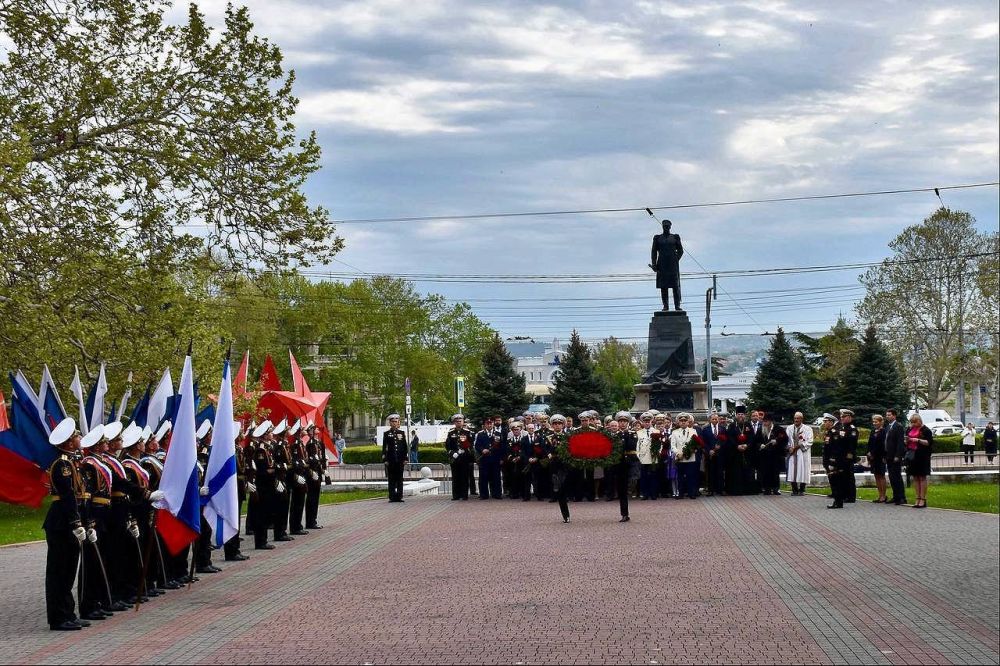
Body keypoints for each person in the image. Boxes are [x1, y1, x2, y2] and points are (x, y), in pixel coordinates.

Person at [44, 417, 89, 631]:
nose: (80, 439)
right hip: (61, 522)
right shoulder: (62, 464)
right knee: (59, 571)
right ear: (70, 442)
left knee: (69, 569)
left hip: (68, 521)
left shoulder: (71, 462)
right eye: (77, 436)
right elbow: (68, 495)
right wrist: (75, 521)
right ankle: (58, 617)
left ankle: (68, 613)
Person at [905, 413, 934, 508]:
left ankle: (923, 499)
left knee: (922, 477)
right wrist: (907, 440)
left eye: (914, 422)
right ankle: (917, 497)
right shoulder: (909, 429)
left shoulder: (926, 430)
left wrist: (917, 440)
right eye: (911, 423)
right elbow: (906, 440)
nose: (913, 424)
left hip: (922, 456)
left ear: (919, 421)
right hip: (912, 455)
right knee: (915, 477)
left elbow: (928, 442)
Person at [725, 406, 754, 495]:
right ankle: (736, 490)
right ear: (736, 415)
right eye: (739, 414)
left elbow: (752, 438)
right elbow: (729, 438)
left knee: (747, 471)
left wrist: (746, 445)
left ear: (744, 415)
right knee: (736, 472)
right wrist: (737, 446)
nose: (740, 416)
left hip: (746, 452)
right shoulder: (732, 425)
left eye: (742, 414)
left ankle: (747, 490)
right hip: (735, 453)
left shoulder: (748, 425)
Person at [547, 415, 571, 522]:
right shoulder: (549, 437)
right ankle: (566, 516)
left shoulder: (567, 436)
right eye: (555, 424)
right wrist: (548, 454)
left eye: (559, 424)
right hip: (555, 465)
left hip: (565, 464)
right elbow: (545, 449)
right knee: (560, 490)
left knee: (564, 488)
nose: (557, 426)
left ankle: (566, 514)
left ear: (563, 425)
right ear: (552, 425)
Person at [669, 413, 700, 499]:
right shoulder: (674, 432)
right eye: (681, 421)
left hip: (690, 457)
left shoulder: (693, 431)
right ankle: (681, 493)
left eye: (685, 421)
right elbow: (673, 446)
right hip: (680, 458)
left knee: (691, 476)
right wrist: (678, 453)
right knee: (680, 477)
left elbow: (696, 444)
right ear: (678, 422)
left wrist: (691, 450)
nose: (683, 422)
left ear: (688, 422)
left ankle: (691, 493)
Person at [444, 414, 474, 500]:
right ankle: (456, 495)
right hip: (455, 458)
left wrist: (464, 450)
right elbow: (447, 445)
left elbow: (471, 445)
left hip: (464, 457)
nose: (458, 423)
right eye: (457, 422)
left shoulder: (467, 432)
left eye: (460, 421)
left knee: (464, 477)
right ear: (454, 423)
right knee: (455, 477)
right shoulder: (451, 432)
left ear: (463, 422)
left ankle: (464, 495)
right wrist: (452, 453)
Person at [474, 417, 504, 499]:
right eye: (487, 423)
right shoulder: (480, 434)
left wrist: (501, 458)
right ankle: (484, 495)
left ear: (493, 424)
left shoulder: (498, 434)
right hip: (484, 459)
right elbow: (477, 446)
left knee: (496, 477)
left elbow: (502, 447)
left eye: (491, 423)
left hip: (495, 459)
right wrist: (482, 449)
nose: (489, 425)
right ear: (485, 425)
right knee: (483, 478)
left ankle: (497, 494)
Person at [757, 413, 786, 495]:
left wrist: (777, 442)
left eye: (766, 422)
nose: (764, 423)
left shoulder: (779, 429)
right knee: (765, 472)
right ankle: (767, 489)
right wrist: (760, 445)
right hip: (765, 456)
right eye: (763, 421)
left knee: (775, 472)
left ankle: (776, 488)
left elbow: (784, 440)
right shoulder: (760, 430)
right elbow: (756, 441)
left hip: (775, 455)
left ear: (770, 422)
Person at [381, 414, 408, 503]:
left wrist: (405, 458)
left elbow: (404, 446)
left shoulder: (401, 433)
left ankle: (399, 496)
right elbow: (384, 447)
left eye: (396, 422)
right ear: (390, 423)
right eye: (392, 422)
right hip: (391, 460)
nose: (394, 423)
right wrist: (385, 459)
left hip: (400, 460)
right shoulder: (386, 434)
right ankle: (392, 497)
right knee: (391, 479)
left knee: (400, 479)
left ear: (398, 423)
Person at [785, 412, 812, 496]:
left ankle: (802, 489)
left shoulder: (807, 429)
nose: (796, 420)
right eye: (795, 418)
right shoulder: (789, 428)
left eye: (798, 418)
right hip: (792, 453)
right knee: (792, 471)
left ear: (801, 419)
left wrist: (799, 446)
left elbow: (810, 441)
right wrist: (789, 447)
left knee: (803, 470)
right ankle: (794, 489)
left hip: (802, 453)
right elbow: (786, 440)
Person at [884, 408, 907, 505]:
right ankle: (895, 496)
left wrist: (898, 455)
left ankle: (901, 497)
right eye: (887, 415)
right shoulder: (888, 427)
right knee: (892, 477)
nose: (887, 416)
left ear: (894, 416)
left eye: (889, 415)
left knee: (897, 476)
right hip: (888, 455)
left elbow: (900, 442)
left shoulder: (898, 426)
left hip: (895, 456)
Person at [615, 411, 636, 521]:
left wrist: (626, 435)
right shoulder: (615, 435)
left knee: (631, 484)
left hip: (630, 464)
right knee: (621, 490)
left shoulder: (632, 434)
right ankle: (624, 514)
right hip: (619, 464)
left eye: (624, 421)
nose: (622, 423)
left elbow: (632, 446)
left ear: (627, 423)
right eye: (620, 421)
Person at [303, 423, 324, 530]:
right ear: (311, 431)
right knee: (311, 498)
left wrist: (322, 470)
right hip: (312, 474)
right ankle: (310, 521)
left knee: (315, 498)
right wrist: (312, 472)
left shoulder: (316, 442)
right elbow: (310, 460)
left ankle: (313, 520)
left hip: (317, 472)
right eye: (315, 428)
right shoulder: (310, 443)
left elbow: (319, 458)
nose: (317, 429)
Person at [701, 412, 725, 496]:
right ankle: (710, 490)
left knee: (720, 472)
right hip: (710, 454)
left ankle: (720, 490)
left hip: (720, 454)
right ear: (710, 420)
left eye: (716, 419)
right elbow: (703, 442)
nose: (715, 420)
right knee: (710, 472)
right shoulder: (705, 429)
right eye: (713, 419)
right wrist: (709, 450)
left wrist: (720, 446)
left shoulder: (722, 428)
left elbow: (725, 440)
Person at [867, 415, 888, 503]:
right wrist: (868, 453)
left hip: (880, 456)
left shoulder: (883, 431)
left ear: (881, 422)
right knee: (876, 475)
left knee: (881, 475)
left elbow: (882, 445)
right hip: (873, 457)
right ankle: (879, 495)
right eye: (873, 421)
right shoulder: (873, 431)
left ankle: (883, 495)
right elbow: (870, 443)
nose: (874, 423)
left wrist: (874, 453)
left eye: (876, 421)